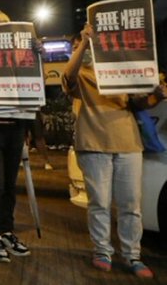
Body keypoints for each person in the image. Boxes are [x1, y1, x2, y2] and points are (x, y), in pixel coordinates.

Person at [62, 23, 166, 278]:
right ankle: (102, 251)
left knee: (131, 204)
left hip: (128, 143)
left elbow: (138, 100)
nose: (79, 51)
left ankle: (132, 255)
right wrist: (84, 42)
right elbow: (67, 77)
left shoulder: (118, 71)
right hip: (94, 145)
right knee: (100, 202)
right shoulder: (81, 75)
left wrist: (157, 93)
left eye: (83, 46)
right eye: (75, 48)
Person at [0, 10, 35, 263]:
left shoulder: (21, 53)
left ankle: (7, 230)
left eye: (5, 22)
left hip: (16, 126)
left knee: (10, 184)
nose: (2, 25)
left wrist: (38, 54)